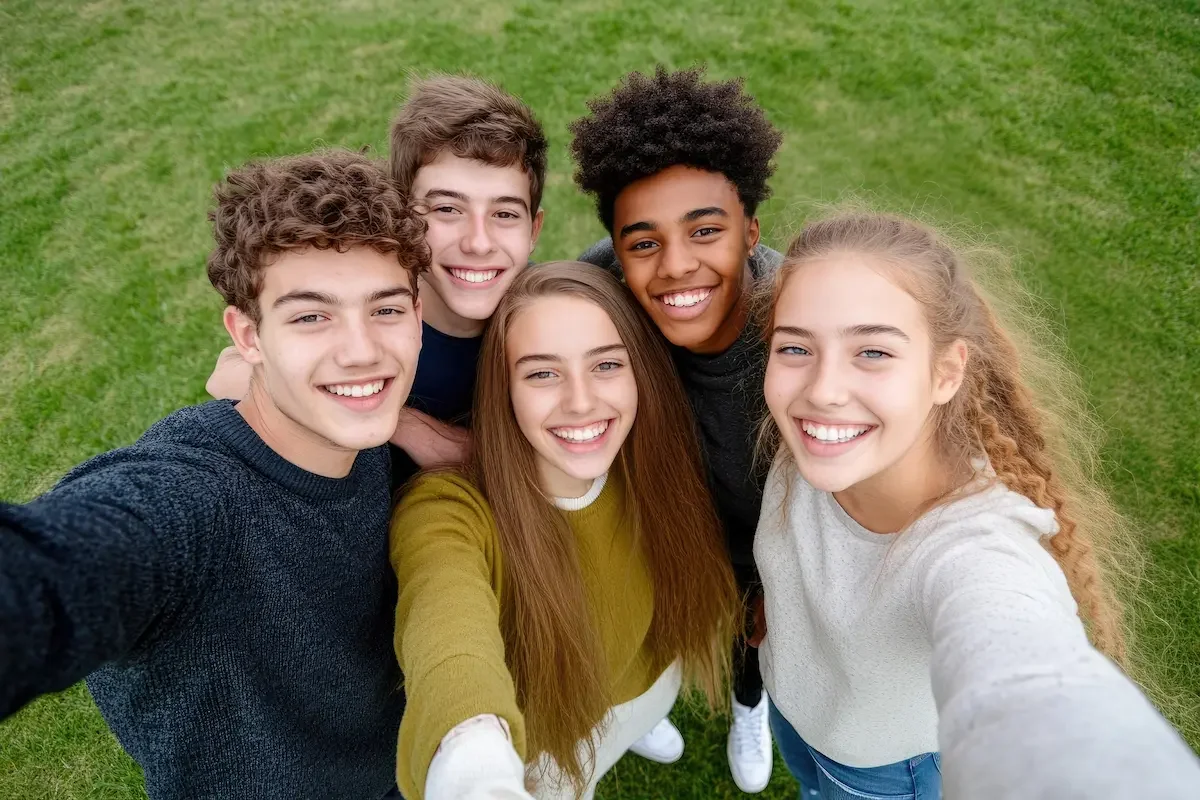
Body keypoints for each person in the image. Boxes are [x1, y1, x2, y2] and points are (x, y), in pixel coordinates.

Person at [0, 151, 428, 800]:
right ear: (247, 336)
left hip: (394, 767)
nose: (362, 350)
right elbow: (55, 571)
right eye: (311, 315)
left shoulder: (357, 433)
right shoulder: (188, 502)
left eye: (386, 309)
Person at [755, 210, 1200, 798]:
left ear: (945, 373)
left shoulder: (976, 550)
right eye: (795, 348)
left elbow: (1018, 662)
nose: (822, 390)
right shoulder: (810, 447)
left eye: (874, 353)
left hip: (888, 773)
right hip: (799, 714)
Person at [390, 262, 739, 799]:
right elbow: (446, 623)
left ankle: (641, 725)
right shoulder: (449, 510)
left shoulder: (651, 458)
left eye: (605, 366)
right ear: (501, 389)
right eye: (542, 373)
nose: (581, 401)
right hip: (553, 741)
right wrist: (474, 759)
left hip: (649, 683)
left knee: (637, 715)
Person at [570, 65, 783, 792]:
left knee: (754, 634)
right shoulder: (594, 295)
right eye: (645, 243)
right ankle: (643, 700)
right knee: (646, 617)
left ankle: (749, 701)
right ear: (617, 254)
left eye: (706, 230)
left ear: (751, 230)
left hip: (767, 543)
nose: (677, 266)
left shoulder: (806, 326)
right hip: (659, 528)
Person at [208, 74, 546, 486]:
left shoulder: (547, 313)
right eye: (446, 209)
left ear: (534, 230)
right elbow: (229, 373)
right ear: (402, 214)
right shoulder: (367, 312)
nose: (478, 243)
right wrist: (418, 431)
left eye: (505, 214)